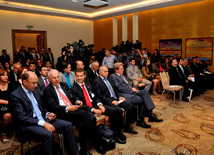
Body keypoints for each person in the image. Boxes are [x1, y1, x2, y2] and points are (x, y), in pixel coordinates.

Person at [9, 71, 79, 155]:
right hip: (28, 124)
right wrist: (43, 123)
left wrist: (47, 114)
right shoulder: (15, 95)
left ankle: (74, 153)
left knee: (67, 125)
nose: (36, 85)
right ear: (24, 82)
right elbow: (21, 117)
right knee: (48, 135)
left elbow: (43, 107)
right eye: (33, 83)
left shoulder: (35, 90)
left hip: (42, 119)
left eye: (36, 83)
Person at [43, 69, 106, 155]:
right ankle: (98, 142)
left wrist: (77, 101)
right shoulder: (47, 90)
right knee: (85, 114)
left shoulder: (64, 85)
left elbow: (72, 97)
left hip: (73, 110)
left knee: (82, 125)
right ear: (49, 79)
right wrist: (68, 108)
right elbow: (53, 106)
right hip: (62, 112)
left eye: (58, 77)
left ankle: (84, 150)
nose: (57, 79)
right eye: (54, 78)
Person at [72, 68, 126, 143]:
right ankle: (98, 142)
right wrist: (93, 110)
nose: (79, 78)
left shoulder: (88, 84)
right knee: (92, 120)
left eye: (81, 76)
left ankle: (115, 133)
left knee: (115, 110)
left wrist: (100, 105)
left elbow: (95, 97)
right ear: (75, 76)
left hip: (95, 106)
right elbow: (80, 104)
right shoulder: (73, 88)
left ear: (84, 76)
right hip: (87, 109)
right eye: (77, 76)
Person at [109, 62, 163, 128]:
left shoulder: (124, 76)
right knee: (143, 99)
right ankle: (143, 119)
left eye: (123, 68)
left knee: (145, 92)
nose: (123, 70)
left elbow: (128, 85)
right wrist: (131, 90)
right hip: (124, 94)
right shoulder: (113, 76)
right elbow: (119, 88)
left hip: (131, 91)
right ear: (116, 70)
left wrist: (132, 88)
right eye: (121, 69)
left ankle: (149, 114)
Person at [93, 66, 138, 137]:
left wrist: (119, 96)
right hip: (108, 101)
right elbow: (100, 96)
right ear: (100, 72)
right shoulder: (96, 81)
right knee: (118, 111)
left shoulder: (108, 79)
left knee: (130, 106)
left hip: (116, 98)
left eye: (107, 71)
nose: (107, 73)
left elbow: (115, 90)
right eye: (105, 71)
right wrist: (111, 102)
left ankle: (127, 127)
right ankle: (117, 132)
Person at [0, 69, 14, 143]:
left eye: (6, 75)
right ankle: (3, 132)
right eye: (3, 75)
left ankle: (4, 132)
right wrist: (6, 102)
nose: (6, 77)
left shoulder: (11, 85)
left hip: (10, 106)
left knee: (8, 115)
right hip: (2, 106)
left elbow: (14, 97)